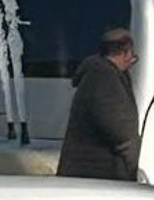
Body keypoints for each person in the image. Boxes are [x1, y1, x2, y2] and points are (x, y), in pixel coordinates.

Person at [57, 28, 141, 181]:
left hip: (83, 174)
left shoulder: (96, 73)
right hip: (98, 175)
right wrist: (133, 168)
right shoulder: (104, 78)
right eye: (132, 56)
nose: (132, 61)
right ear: (126, 53)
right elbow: (122, 133)